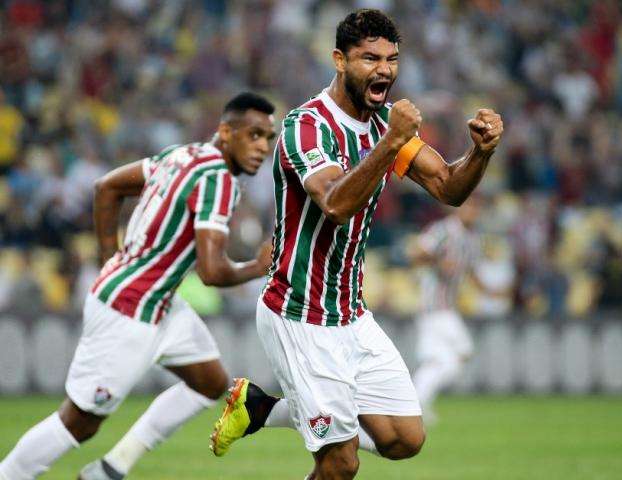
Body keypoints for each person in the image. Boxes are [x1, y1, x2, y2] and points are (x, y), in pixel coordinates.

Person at [211, 9, 503, 480]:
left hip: (349, 312)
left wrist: (481, 153)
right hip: (298, 312)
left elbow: (449, 187)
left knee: (405, 438)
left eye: (391, 59)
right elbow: (334, 203)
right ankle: (280, 413)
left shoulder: (386, 124)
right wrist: (388, 144)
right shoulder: (306, 126)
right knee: (339, 464)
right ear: (340, 60)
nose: (384, 69)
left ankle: (259, 408)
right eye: (370, 58)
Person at [0, 92, 276, 480]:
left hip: (159, 303)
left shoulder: (181, 155)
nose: (262, 147)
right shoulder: (219, 180)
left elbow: (106, 188)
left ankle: (110, 469)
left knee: (209, 382)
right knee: (79, 422)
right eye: (254, 135)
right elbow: (212, 272)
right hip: (129, 310)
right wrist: (257, 266)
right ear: (226, 132)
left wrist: (109, 261)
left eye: (268, 137)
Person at [407, 196, 482, 423]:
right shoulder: (443, 230)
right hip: (434, 306)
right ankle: (415, 401)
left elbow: (469, 272)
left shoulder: (473, 240)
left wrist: (490, 290)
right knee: (463, 350)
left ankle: (416, 403)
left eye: (476, 207)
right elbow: (416, 253)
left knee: (438, 361)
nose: (472, 212)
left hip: (446, 306)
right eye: (468, 206)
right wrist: (439, 261)